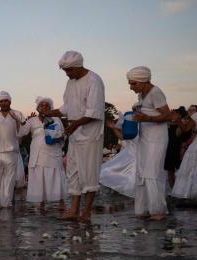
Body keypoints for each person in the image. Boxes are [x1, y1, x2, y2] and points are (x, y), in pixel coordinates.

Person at [48, 51, 105, 221]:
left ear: (79, 66)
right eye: (65, 71)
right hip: (75, 133)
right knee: (73, 171)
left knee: (89, 172)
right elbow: (67, 106)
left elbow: (94, 111)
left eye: (70, 70)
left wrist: (75, 124)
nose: (67, 74)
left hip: (90, 133)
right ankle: (73, 210)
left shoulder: (94, 80)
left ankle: (86, 212)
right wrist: (51, 112)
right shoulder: (70, 82)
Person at [127, 66, 171, 220]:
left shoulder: (156, 92)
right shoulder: (143, 95)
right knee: (142, 171)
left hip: (157, 138)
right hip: (145, 137)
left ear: (143, 81)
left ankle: (157, 210)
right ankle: (144, 209)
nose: (131, 87)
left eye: (133, 84)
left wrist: (147, 118)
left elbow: (168, 115)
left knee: (152, 171)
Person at [16, 96, 67, 203]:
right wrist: (24, 122)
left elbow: (64, 135)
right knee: (39, 180)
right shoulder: (32, 120)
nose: (44, 107)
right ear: (38, 108)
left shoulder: (56, 119)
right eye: (41, 105)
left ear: (50, 108)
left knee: (55, 178)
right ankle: (41, 208)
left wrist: (56, 136)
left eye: (46, 105)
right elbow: (21, 133)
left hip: (53, 155)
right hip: (37, 156)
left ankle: (61, 207)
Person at [99, 112, 138, 198]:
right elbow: (122, 137)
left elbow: (122, 137)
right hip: (131, 158)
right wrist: (114, 128)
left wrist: (113, 128)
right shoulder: (134, 132)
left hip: (132, 158)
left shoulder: (135, 132)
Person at [164, 107, 193, 188]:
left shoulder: (185, 124)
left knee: (182, 170)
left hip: (180, 149)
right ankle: (173, 190)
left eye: (174, 113)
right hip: (169, 149)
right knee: (170, 171)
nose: (172, 114)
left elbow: (179, 134)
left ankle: (181, 189)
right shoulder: (168, 124)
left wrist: (178, 121)